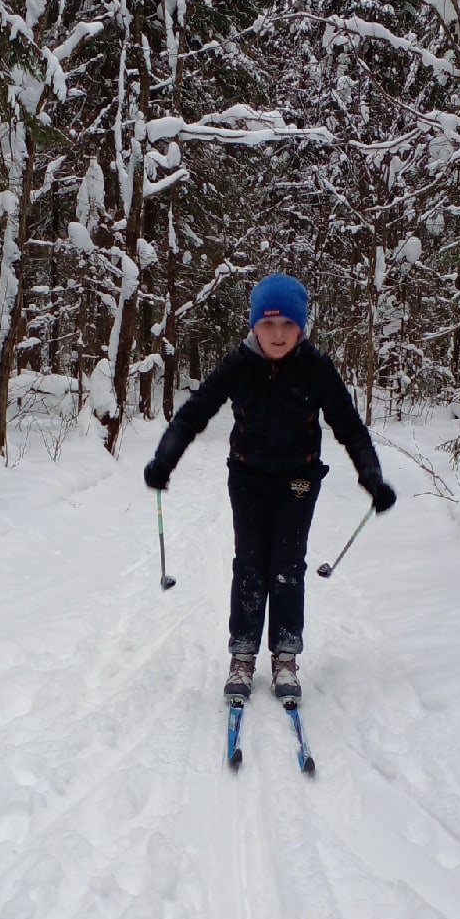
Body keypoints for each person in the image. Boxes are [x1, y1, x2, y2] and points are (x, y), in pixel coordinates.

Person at [143, 272, 396, 703]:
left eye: (288, 325)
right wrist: (165, 458)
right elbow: (194, 413)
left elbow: (350, 428)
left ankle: (285, 655)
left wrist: (371, 475)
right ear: (254, 325)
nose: (277, 335)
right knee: (250, 565)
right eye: (268, 324)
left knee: (287, 565)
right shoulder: (238, 365)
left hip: (299, 478)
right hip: (247, 477)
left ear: (301, 327)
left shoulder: (316, 368)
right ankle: (242, 654)